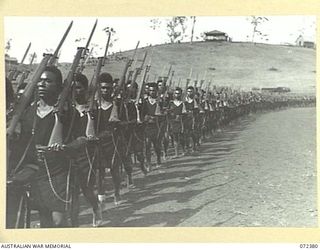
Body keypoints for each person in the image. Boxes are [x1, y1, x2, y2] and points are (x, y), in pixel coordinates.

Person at [9, 66, 71, 227]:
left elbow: (80, 139)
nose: (42, 84)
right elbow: (18, 144)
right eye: (40, 80)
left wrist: (63, 147)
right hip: (34, 171)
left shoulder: (66, 113)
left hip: (58, 172)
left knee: (58, 221)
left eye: (48, 81)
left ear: (58, 86)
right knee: (44, 218)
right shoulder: (25, 113)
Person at [64, 73, 102, 227]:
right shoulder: (65, 109)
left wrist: (91, 122)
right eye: (73, 88)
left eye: (79, 88)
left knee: (86, 189)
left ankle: (95, 207)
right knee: (72, 193)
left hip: (87, 155)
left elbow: (100, 131)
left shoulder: (93, 109)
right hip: (69, 154)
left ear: (86, 89)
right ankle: (75, 224)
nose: (75, 91)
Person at [142, 82, 163, 170]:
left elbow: (163, 114)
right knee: (147, 145)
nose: (152, 92)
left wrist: (158, 117)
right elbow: (142, 113)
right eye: (150, 90)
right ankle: (149, 163)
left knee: (156, 145)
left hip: (156, 126)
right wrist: (146, 117)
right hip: (147, 126)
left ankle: (158, 159)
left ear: (156, 91)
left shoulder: (160, 101)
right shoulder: (145, 101)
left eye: (154, 90)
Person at [167, 87, 186, 158]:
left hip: (180, 122)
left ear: (181, 94)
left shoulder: (183, 103)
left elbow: (184, 112)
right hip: (173, 122)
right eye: (176, 93)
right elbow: (167, 112)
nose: (177, 95)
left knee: (181, 137)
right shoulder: (171, 103)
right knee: (175, 137)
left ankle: (184, 150)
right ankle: (176, 153)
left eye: (178, 93)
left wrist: (181, 116)